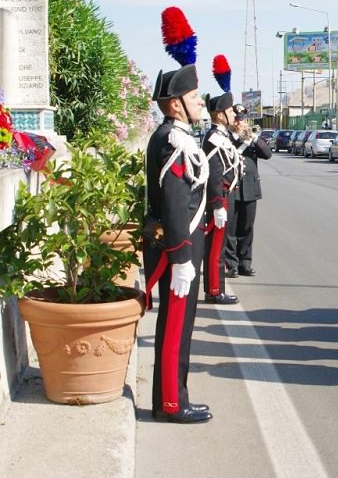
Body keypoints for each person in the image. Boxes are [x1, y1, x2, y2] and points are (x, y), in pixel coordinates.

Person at [143, 63, 213, 423]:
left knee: (181, 325)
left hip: (182, 244)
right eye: (194, 97)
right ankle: (171, 403)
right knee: (175, 326)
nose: (200, 103)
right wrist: (182, 257)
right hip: (177, 248)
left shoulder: (179, 136)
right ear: (175, 105)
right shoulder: (172, 140)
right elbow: (173, 203)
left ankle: (175, 396)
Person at [202, 88, 241, 305]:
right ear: (219, 115)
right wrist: (217, 204)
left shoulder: (222, 137)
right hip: (221, 198)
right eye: (230, 111)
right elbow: (215, 174)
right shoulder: (214, 139)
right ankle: (215, 290)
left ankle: (215, 288)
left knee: (221, 243)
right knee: (216, 247)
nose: (234, 115)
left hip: (227, 196)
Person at [225, 104, 272, 278]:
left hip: (250, 188)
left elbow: (267, 154)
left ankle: (245, 262)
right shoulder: (225, 138)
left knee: (247, 228)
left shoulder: (250, 138)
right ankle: (232, 264)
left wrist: (253, 138)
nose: (240, 122)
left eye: (242, 119)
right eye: (237, 118)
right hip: (232, 188)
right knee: (231, 228)